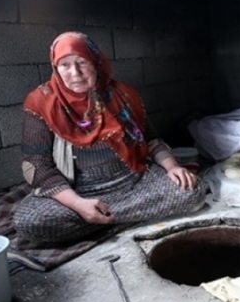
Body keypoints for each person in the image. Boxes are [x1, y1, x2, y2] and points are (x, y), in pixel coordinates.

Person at [13, 32, 207, 249]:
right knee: (28, 221)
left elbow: (152, 140)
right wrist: (78, 205)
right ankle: (114, 217)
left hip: (134, 182)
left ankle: (100, 220)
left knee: (193, 190)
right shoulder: (41, 102)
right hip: (78, 191)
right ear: (55, 68)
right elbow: (36, 165)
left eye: (82, 62)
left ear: (96, 61)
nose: (75, 73)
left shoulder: (123, 94)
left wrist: (172, 167)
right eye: (64, 65)